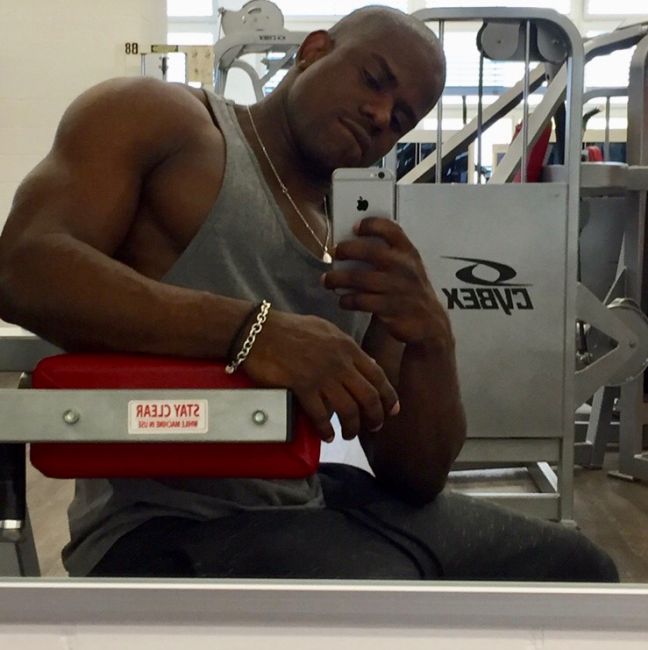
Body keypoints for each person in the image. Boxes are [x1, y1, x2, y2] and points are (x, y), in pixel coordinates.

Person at [0, 6, 618, 581]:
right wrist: (254, 332)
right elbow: (21, 266)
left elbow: (415, 475)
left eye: (402, 118)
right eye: (373, 80)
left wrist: (433, 337)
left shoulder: (358, 242)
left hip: (307, 504)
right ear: (314, 51)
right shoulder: (163, 120)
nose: (381, 115)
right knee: (395, 601)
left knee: (577, 568)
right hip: (161, 528)